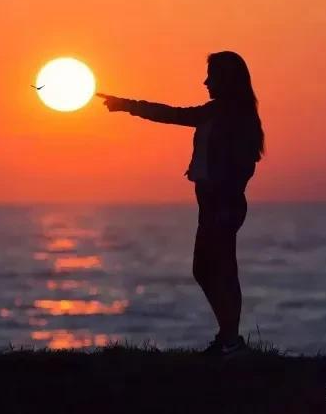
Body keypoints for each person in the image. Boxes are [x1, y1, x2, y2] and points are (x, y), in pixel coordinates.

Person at [97, 51, 265, 358]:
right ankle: (229, 338)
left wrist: (224, 196)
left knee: (219, 270)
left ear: (226, 80)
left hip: (223, 204)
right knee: (209, 269)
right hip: (211, 204)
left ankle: (231, 341)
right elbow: (173, 115)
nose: (205, 82)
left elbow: (245, 164)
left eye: (211, 76)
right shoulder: (215, 112)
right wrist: (126, 105)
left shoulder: (236, 117)